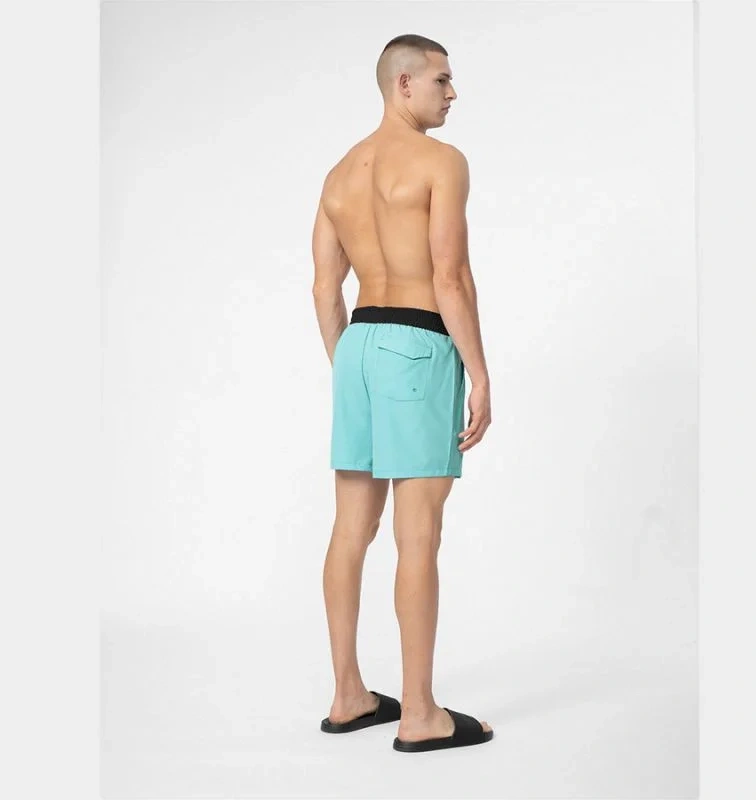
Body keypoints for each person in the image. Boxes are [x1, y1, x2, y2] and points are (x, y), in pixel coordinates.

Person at [312, 33, 493, 752]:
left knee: (349, 530)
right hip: (417, 343)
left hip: (356, 345)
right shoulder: (441, 162)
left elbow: (325, 287)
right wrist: (480, 373)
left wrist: (352, 367)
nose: (453, 93)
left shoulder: (339, 173)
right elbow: (450, 277)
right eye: (442, 80)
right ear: (404, 83)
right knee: (418, 535)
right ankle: (419, 714)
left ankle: (348, 695)